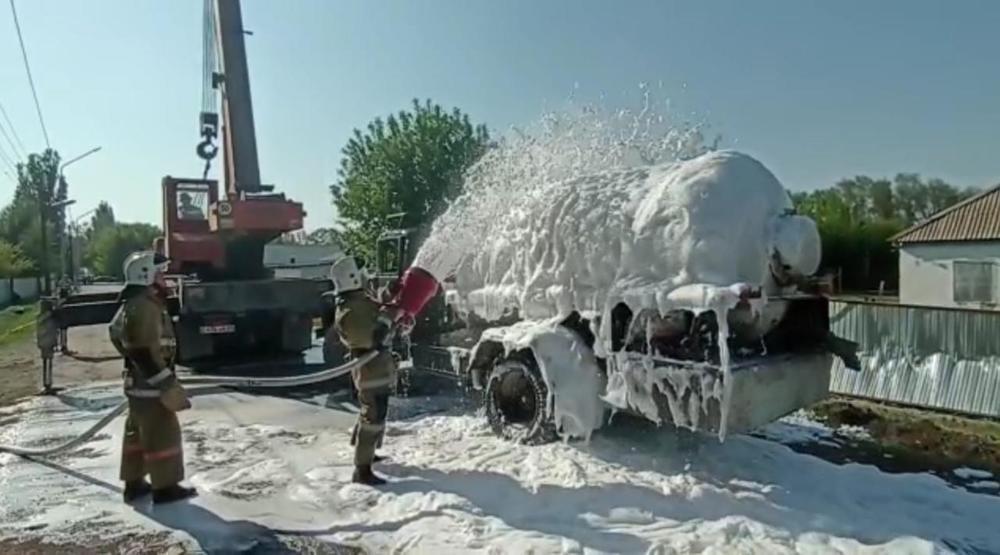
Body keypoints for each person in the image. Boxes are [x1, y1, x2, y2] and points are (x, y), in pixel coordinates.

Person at [108, 250, 196, 504]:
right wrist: (166, 384)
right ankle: (166, 487)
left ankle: (134, 483)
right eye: (160, 273)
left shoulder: (135, 303)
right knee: (163, 432)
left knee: (136, 433)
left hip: (138, 383)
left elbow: (116, 333)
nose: (164, 279)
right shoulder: (145, 306)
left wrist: (132, 361)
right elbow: (143, 349)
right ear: (146, 276)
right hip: (151, 385)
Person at [329, 255, 398, 486]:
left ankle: (366, 452)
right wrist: (387, 322)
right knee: (373, 415)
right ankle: (362, 469)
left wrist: (390, 292)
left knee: (375, 411)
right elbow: (369, 338)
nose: (366, 277)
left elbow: (375, 305)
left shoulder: (356, 301)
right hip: (370, 370)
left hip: (376, 368)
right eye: (362, 274)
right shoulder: (350, 311)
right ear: (352, 278)